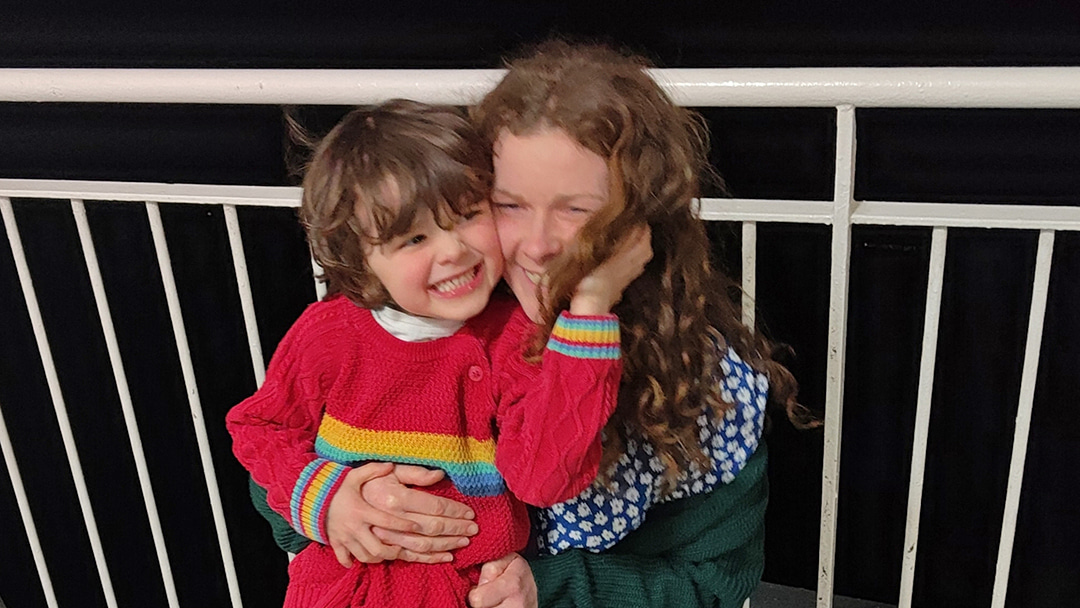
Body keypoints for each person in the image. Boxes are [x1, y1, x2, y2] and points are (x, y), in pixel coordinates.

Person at [251, 42, 808, 608]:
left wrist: (550, 587)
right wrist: (343, 503)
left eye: (577, 209)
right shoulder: (429, 312)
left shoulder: (710, 389)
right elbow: (274, 463)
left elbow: (713, 584)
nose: (539, 248)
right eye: (509, 204)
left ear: (643, 222)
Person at [227, 99, 650, 608]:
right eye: (414, 238)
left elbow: (544, 477)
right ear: (360, 261)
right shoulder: (328, 333)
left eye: (469, 215)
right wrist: (323, 496)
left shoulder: (515, 338)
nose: (452, 250)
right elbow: (259, 428)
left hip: (472, 595)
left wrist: (590, 308)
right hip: (340, 592)